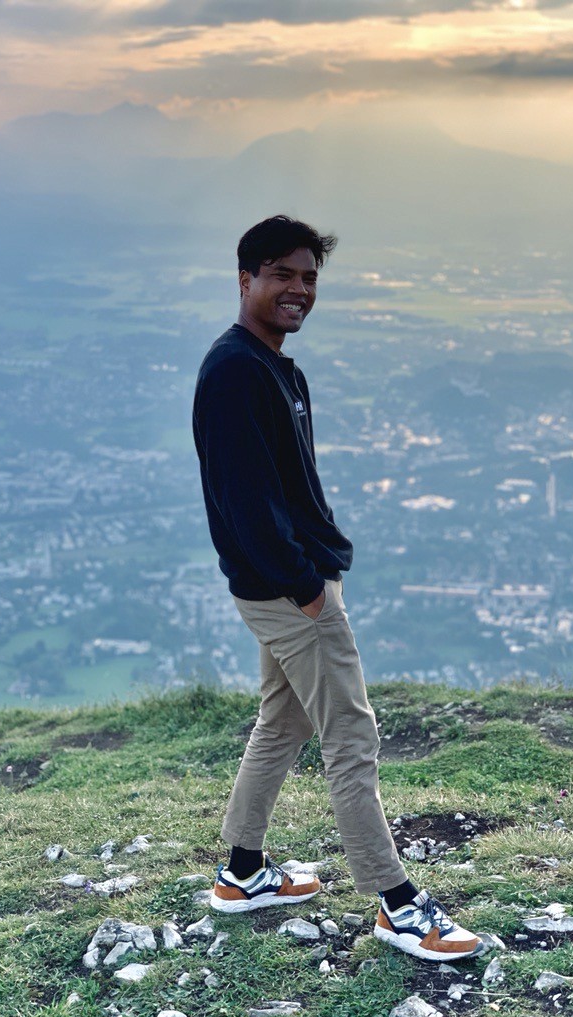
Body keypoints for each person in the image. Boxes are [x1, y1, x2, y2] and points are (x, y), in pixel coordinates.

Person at [192, 215, 480, 962]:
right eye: (282, 274)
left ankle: (242, 873)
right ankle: (397, 905)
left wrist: (318, 562)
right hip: (290, 594)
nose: (299, 290)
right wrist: (306, 588)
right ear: (246, 278)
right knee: (351, 739)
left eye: (310, 278)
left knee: (282, 726)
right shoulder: (233, 372)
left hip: (291, 582)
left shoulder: (275, 367)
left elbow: (289, 489)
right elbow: (244, 501)